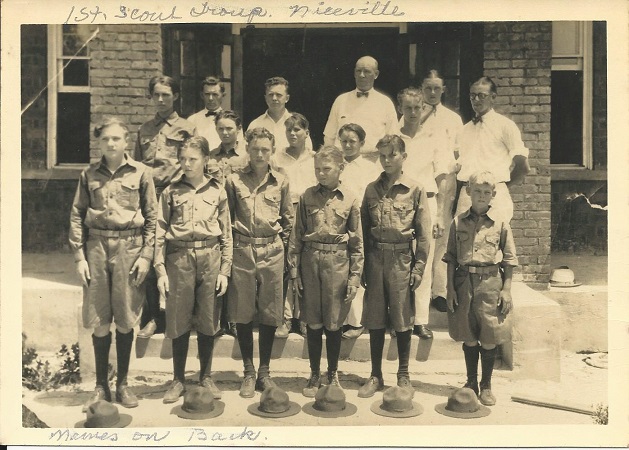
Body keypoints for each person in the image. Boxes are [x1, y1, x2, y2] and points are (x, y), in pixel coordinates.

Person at [69, 117, 157, 411]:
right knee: (99, 317)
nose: (111, 144)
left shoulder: (141, 173)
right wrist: (79, 257)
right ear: (99, 142)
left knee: (125, 315)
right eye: (105, 139)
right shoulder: (89, 174)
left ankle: (122, 383)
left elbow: (153, 219)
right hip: (96, 247)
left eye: (116, 139)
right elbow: (77, 215)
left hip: (129, 247)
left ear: (126, 141)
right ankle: (100, 386)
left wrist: (146, 256)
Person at [154, 136, 233, 403]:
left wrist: (224, 270)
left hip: (210, 257)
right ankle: (177, 380)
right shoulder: (170, 192)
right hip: (180, 258)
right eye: (183, 159)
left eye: (193, 159)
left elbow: (227, 234)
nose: (187, 164)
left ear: (205, 160)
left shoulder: (217, 190)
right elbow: (159, 231)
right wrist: (161, 270)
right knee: (178, 319)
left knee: (208, 320)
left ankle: (205, 376)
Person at [358, 135, 431, 398]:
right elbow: (363, 231)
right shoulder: (370, 189)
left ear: (403, 157)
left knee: (402, 318)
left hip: (402, 260)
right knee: (375, 318)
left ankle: (403, 374)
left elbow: (424, 234)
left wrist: (418, 267)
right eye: (383, 156)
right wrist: (363, 266)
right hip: (376, 258)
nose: (387, 160)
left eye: (392, 155)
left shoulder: (415, 189)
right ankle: (376, 374)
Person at [288, 146, 364, 397]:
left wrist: (354, 276)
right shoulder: (307, 196)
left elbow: (357, 242)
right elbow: (296, 237)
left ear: (341, 169)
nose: (321, 173)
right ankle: (313, 373)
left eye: (327, 169)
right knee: (313, 321)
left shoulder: (351, 199)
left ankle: (332, 373)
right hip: (311, 262)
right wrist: (295, 272)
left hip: (338, 263)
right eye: (317, 169)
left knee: (333, 323)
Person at [224, 127, 294, 397]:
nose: (260, 154)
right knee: (242, 313)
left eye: (265, 149)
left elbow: (288, 221)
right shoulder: (233, 181)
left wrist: (286, 255)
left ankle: (264, 372)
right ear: (247, 150)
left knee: (269, 312)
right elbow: (226, 221)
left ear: (272, 151)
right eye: (255, 149)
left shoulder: (282, 181)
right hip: (243, 249)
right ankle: (248, 371)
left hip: (272, 250)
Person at [443, 170, 518, 406]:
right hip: (464, 281)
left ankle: (486, 385)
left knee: (489, 335)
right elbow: (451, 258)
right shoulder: (458, 222)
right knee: (469, 336)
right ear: (468, 192)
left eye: (487, 192)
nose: (481, 196)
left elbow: (509, 260)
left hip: (490, 284)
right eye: (477, 191)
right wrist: (450, 289)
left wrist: (506, 290)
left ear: (493, 195)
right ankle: (471, 383)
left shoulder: (501, 224)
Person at [134, 75, 197, 338]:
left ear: (176, 97)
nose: (161, 100)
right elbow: (137, 168)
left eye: (166, 95)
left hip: (176, 195)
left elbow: (193, 163)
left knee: (178, 255)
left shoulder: (186, 128)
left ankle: (180, 315)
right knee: (149, 251)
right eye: (156, 95)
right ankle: (153, 318)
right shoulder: (144, 129)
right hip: (150, 197)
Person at [397, 87, 451, 339]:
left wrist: (440, 214)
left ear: (423, 109)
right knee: (398, 262)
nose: (412, 112)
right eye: (407, 107)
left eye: (417, 108)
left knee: (424, 259)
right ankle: (397, 320)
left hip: (427, 202)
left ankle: (420, 320)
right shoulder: (393, 138)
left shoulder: (434, 137)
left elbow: (442, 179)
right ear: (400, 109)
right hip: (399, 202)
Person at [416, 70, 463, 314]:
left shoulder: (453, 119)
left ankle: (440, 292)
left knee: (442, 233)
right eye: (427, 88)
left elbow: (458, 152)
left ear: (443, 90)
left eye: (436, 88)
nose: (432, 93)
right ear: (421, 89)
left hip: (445, 180)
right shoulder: (413, 115)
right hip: (422, 180)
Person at [454, 76, 530, 223]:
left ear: (493, 97)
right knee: (464, 241)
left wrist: (501, 186)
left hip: (495, 197)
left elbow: (523, 167)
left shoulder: (505, 126)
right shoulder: (464, 130)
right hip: (467, 196)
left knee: (493, 242)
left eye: (481, 95)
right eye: (472, 95)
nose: (476, 100)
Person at [271, 113, 317, 338]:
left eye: (297, 129)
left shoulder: (314, 158)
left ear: (306, 133)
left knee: (305, 264)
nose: (292, 133)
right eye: (289, 129)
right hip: (286, 211)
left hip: (309, 211)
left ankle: (305, 318)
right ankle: (286, 318)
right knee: (288, 265)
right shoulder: (277, 158)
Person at [337, 123, 379, 340]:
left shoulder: (370, 169)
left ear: (362, 143)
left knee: (358, 268)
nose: (347, 145)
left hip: (362, 220)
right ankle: (339, 319)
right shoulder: (336, 165)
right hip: (338, 220)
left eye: (352, 141)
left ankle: (357, 321)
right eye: (343, 141)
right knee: (341, 268)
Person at [323, 56, 398, 162]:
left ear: (376, 74)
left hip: (373, 163)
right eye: (358, 71)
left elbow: (392, 139)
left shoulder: (385, 103)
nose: (361, 75)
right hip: (343, 162)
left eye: (366, 71)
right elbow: (329, 137)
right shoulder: (341, 100)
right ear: (354, 73)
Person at [247, 76, 313, 152]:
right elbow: (248, 153)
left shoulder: (297, 124)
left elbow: (307, 152)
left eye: (279, 95)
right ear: (265, 98)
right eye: (271, 95)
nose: (274, 98)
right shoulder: (255, 124)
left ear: (287, 98)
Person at [187, 76, 244, 151]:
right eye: (207, 94)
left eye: (215, 94)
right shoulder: (192, 120)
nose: (210, 98)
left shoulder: (232, 120)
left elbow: (240, 146)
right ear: (202, 95)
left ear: (223, 95)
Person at [207, 109, 249, 185]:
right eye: (221, 129)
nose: (224, 133)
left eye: (229, 128)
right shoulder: (210, 157)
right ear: (216, 129)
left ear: (238, 128)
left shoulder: (247, 155)